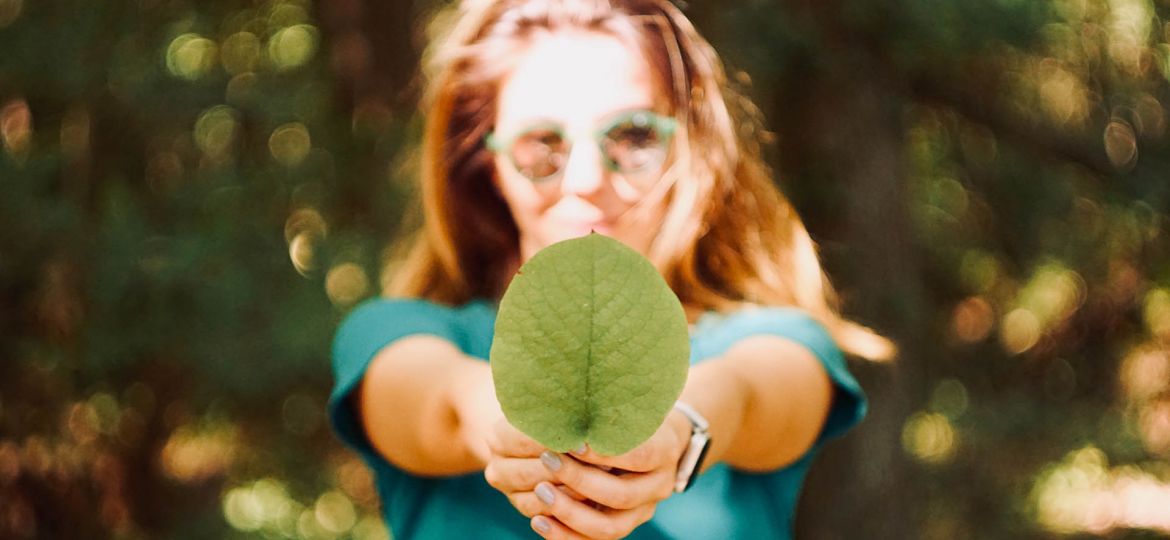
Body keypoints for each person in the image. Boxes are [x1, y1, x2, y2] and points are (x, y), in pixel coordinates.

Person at [328, 0, 894, 538]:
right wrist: (504, 425)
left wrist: (681, 431)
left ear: (687, 148)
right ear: (488, 165)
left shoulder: (776, 339)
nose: (586, 179)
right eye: (541, 143)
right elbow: (441, 404)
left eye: (632, 136)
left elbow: (748, 394)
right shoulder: (395, 334)